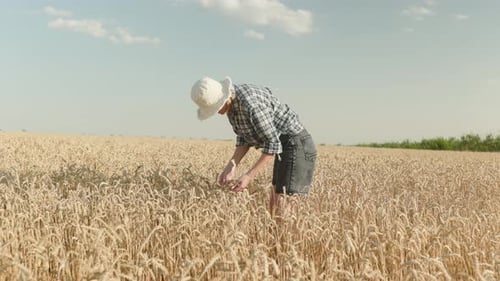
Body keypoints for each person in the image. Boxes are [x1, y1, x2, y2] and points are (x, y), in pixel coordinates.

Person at [190, 76, 316, 215]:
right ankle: (274, 235)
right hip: (283, 143)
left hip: (295, 143)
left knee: (286, 203)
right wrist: (231, 166)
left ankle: (288, 235)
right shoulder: (232, 105)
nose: (218, 112)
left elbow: (272, 143)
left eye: (217, 108)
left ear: (224, 97)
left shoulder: (251, 105)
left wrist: (248, 176)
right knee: (275, 198)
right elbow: (244, 138)